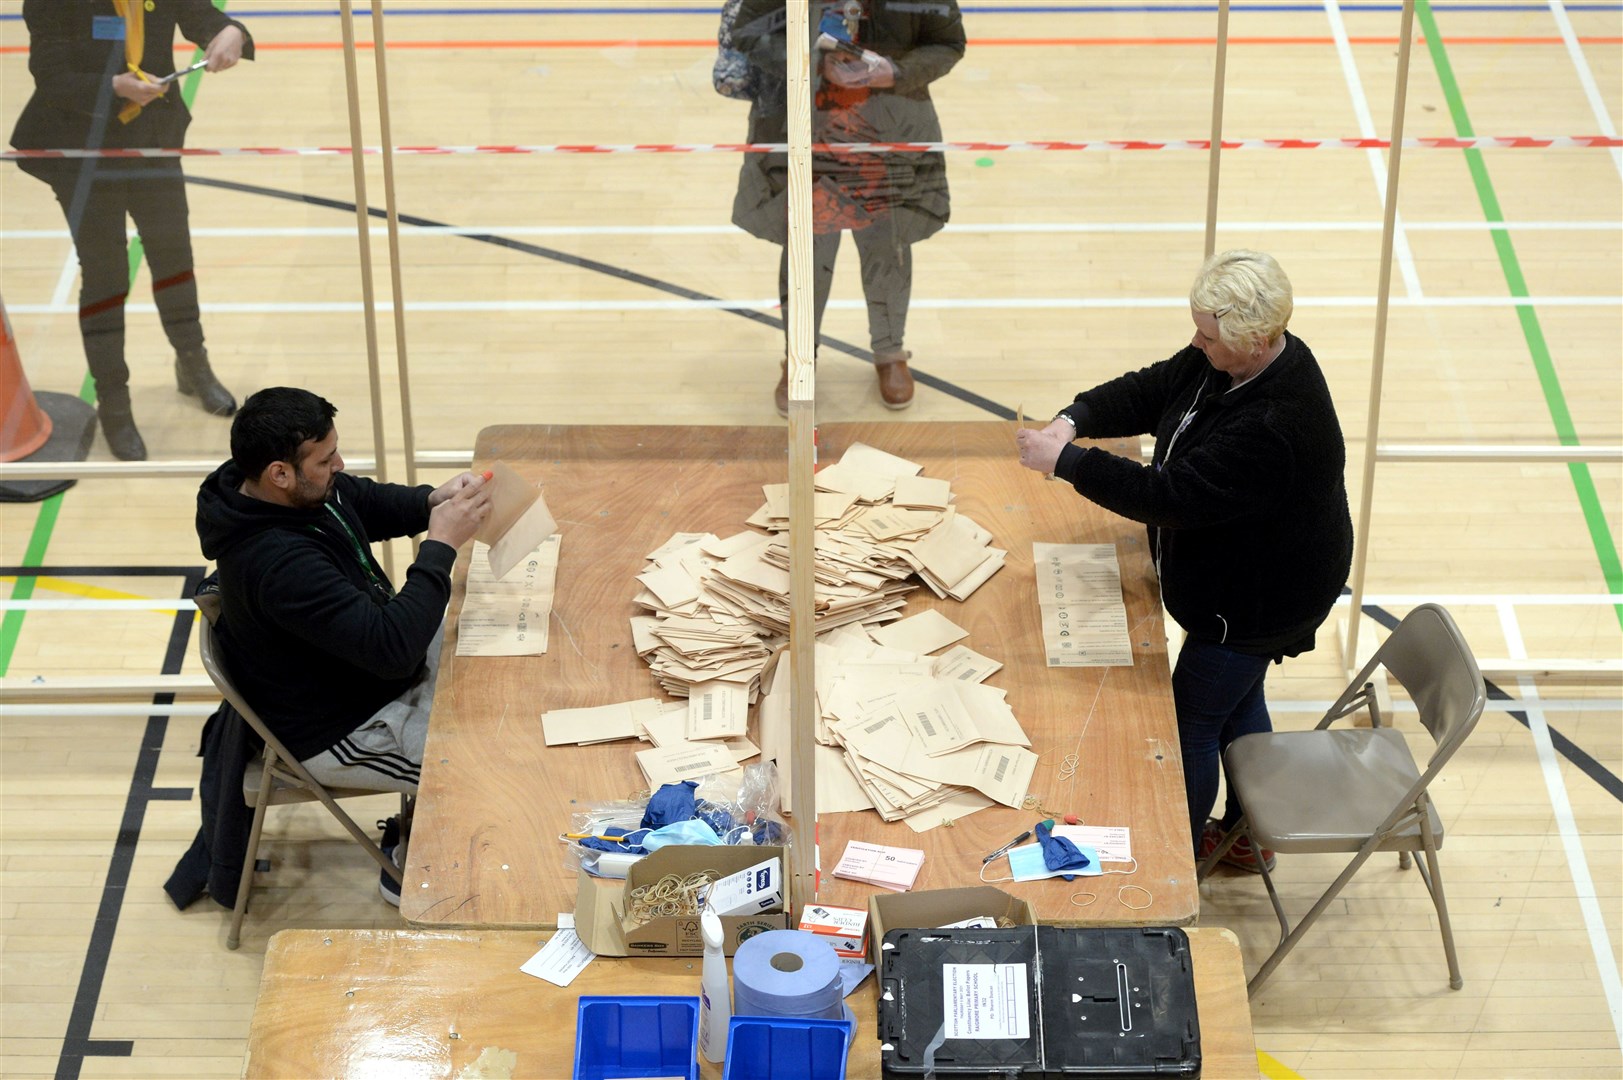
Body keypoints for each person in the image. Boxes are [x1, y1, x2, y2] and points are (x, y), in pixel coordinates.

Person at [1015, 250, 1354, 872]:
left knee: (1191, 724)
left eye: (1208, 335)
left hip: (1255, 601)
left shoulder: (1274, 423)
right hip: (1251, 579)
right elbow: (1157, 386)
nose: (1197, 344)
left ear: (1257, 341)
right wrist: (1075, 419)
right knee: (1236, 703)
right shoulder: (1234, 359)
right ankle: (1249, 836)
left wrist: (1067, 464)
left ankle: (1183, 856)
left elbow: (1170, 497)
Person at [196, 388, 492, 896]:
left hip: (370, 666)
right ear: (280, 472)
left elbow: (355, 500)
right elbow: (393, 647)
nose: (340, 465)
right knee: (486, 761)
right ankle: (408, 864)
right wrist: (440, 544)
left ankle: (432, 818)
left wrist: (430, 502)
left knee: (500, 673)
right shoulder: (279, 565)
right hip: (341, 723)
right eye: (326, 458)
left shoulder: (274, 491)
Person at [10, 1, 254, 461]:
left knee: (173, 258)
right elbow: (51, 76)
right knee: (106, 276)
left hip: (152, 139)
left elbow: (204, 18)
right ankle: (114, 405)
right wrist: (112, 87)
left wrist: (230, 31)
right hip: (81, 148)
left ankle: (193, 364)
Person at [730, 0, 965, 416]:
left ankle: (890, 352)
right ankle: (800, 358)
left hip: (889, 128)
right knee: (807, 249)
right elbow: (748, 31)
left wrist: (896, 72)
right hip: (801, 125)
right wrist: (812, 65)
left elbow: (947, 42)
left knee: (886, 245)